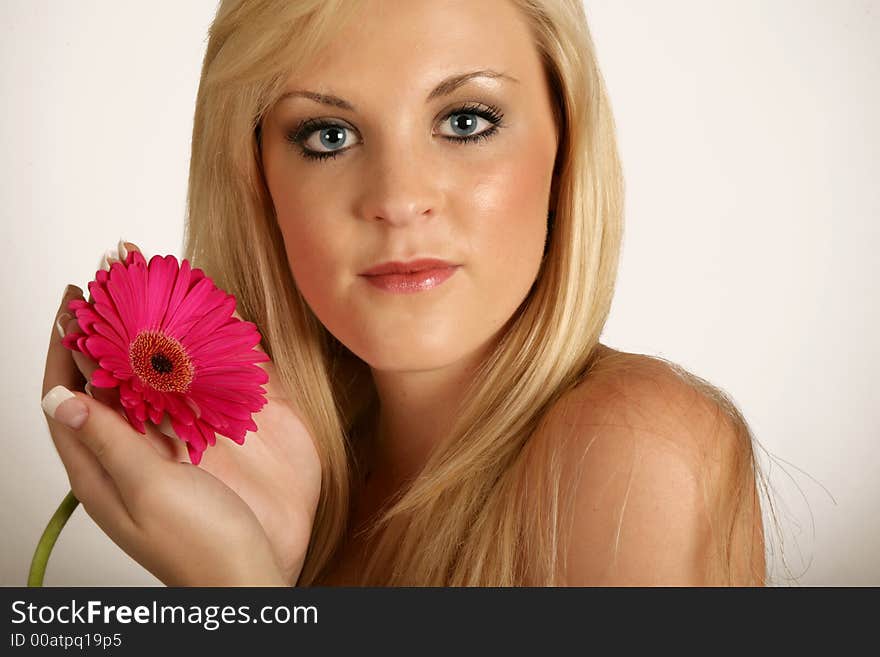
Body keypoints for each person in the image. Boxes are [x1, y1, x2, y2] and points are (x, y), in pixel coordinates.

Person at [41, 0, 769, 586]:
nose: (397, 198)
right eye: (328, 135)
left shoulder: (638, 453)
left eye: (464, 122)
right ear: (256, 179)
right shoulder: (287, 490)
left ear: (566, 145)